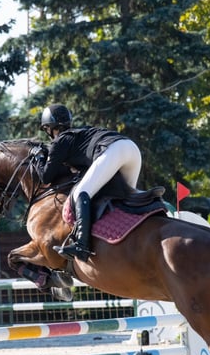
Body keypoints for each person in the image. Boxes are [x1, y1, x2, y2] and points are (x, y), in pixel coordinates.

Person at [33, 103, 142, 262]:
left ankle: (81, 246)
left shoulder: (61, 141)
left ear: (50, 127)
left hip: (113, 150)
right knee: (128, 196)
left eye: (47, 129)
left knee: (80, 193)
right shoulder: (81, 133)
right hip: (132, 149)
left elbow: (45, 177)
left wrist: (39, 158)